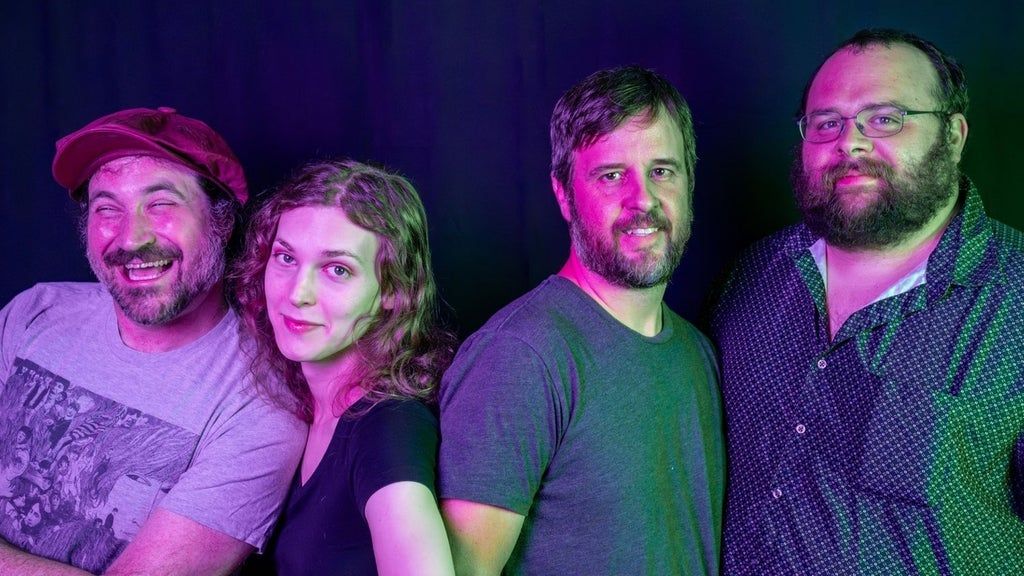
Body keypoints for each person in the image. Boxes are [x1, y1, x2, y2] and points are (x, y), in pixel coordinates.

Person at [708, 28, 1024, 574]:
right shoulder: (752, 277)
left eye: (885, 119)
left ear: (953, 135)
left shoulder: (1013, 301)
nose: (849, 144)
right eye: (826, 123)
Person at [438, 66, 725, 575]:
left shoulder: (698, 352)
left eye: (662, 171)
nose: (643, 199)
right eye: (611, 176)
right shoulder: (520, 357)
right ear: (564, 195)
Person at [0, 107, 305, 574]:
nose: (131, 238)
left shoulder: (262, 401)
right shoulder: (35, 312)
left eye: (160, 205)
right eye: (107, 209)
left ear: (222, 221)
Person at [234, 159, 457, 575]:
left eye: (337, 269)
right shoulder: (306, 403)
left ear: (394, 290)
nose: (298, 293)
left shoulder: (388, 427)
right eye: (285, 257)